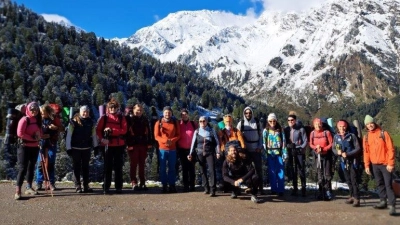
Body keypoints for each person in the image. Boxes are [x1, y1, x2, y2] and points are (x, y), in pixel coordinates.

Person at [363, 115, 396, 216]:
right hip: (374, 164)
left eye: (371, 123)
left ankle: (392, 205)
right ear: (366, 126)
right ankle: (383, 201)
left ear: (374, 123)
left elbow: (391, 149)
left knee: (388, 185)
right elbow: (366, 152)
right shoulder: (366, 137)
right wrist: (367, 165)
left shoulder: (383, 133)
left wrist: (390, 163)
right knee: (379, 184)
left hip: (385, 164)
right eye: (368, 124)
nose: (370, 125)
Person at [96, 99, 128, 194]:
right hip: (107, 144)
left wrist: (112, 130)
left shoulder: (121, 118)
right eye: (111, 108)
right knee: (107, 167)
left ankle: (119, 187)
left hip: (119, 145)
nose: (113, 109)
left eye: (114, 107)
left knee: (118, 167)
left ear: (117, 108)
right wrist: (102, 139)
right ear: (108, 109)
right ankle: (106, 186)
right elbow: (98, 130)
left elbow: (124, 130)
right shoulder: (104, 118)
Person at [66, 106, 98, 193]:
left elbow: (94, 135)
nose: (85, 113)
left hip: (86, 148)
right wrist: (68, 148)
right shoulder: (73, 122)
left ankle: (86, 185)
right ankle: (78, 186)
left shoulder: (91, 122)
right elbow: (68, 136)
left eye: (87, 112)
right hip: (75, 148)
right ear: (80, 112)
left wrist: (96, 146)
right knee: (76, 167)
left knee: (86, 168)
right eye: (83, 112)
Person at [14, 102, 42, 200]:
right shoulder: (24, 119)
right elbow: (20, 134)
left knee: (31, 167)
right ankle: (18, 191)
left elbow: (40, 132)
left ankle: (29, 187)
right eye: (32, 110)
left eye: (36, 110)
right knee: (23, 168)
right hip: (24, 147)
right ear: (28, 110)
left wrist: (39, 136)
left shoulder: (37, 120)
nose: (34, 112)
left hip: (35, 147)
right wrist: (33, 138)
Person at [188, 116, 220, 196]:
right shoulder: (197, 131)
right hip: (200, 153)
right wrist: (190, 153)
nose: (202, 122)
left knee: (212, 171)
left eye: (204, 121)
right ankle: (206, 188)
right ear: (199, 122)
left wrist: (218, 152)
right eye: (200, 121)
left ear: (206, 121)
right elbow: (193, 143)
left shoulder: (212, 131)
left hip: (210, 153)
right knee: (202, 171)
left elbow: (216, 142)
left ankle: (213, 189)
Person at [332, 120, 361, 207]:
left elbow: (358, 148)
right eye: (340, 127)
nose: (342, 128)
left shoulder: (351, 136)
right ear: (338, 127)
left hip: (352, 161)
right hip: (343, 161)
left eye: (343, 126)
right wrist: (338, 152)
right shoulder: (336, 137)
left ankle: (356, 198)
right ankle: (351, 196)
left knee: (353, 179)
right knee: (348, 179)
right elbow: (333, 148)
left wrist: (348, 154)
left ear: (346, 127)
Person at [236, 106, 264, 195]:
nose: (248, 114)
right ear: (244, 114)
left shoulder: (257, 123)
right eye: (246, 113)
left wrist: (260, 147)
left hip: (256, 150)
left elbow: (261, 136)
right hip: (246, 151)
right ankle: (250, 187)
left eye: (250, 113)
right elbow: (238, 137)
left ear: (252, 113)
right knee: (247, 170)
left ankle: (260, 188)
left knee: (258, 169)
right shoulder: (241, 123)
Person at [35, 105, 63, 191]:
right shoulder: (37, 119)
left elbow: (62, 128)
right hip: (40, 143)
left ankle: (51, 182)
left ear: (48, 112)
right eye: (41, 113)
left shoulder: (54, 119)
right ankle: (39, 183)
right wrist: (40, 136)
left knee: (51, 163)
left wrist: (56, 128)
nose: (42, 115)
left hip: (51, 143)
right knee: (40, 163)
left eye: (44, 113)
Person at [125, 104, 152, 191]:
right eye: (137, 110)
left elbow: (148, 131)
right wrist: (128, 144)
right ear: (133, 110)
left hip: (143, 144)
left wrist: (149, 142)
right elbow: (127, 133)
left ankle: (142, 182)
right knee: (133, 164)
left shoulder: (144, 119)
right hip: (133, 144)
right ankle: (134, 182)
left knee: (142, 164)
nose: (139, 112)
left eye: (140, 110)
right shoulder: (129, 119)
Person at [154, 106, 180, 193]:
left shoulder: (175, 122)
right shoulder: (158, 122)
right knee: (162, 168)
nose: (167, 114)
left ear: (171, 113)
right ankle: (164, 185)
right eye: (166, 112)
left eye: (169, 112)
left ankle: (172, 185)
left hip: (172, 149)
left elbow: (178, 135)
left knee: (172, 168)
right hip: (162, 149)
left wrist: (171, 141)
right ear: (163, 113)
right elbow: (156, 136)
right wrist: (165, 141)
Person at [217, 114, 246, 191]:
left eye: (229, 121)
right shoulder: (221, 131)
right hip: (225, 153)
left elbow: (241, 141)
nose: (228, 123)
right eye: (226, 122)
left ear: (231, 121)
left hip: (235, 153)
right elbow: (220, 142)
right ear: (224, 122)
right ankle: (226, 185)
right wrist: (219, 151)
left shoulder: (236, 131)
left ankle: (236, 186)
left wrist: (242, 150)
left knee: (235, 170)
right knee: (225, 170)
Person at [283, 112, 308, 197]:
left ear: (295, 120)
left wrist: (301, 148)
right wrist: (288, 146)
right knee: (293, 171)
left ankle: (303, 189)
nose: (290, 121)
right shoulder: (286, 129)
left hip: (299, 152)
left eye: (292, 120)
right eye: (289, 120)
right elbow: (284, 141)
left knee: (301, 170)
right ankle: (295, 189)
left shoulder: (301, 129)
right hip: (290, 151)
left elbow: (305, 140)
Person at [263, 113, 287, 196]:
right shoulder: (266, 130)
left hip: (279, 153)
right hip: (270, 153)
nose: (272, 122)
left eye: (274, 120)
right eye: (270, 121)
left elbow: (284, 142)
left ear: (276, 121)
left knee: (281, 172)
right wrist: (265, 154)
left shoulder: (280, 130)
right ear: (268, 121)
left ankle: (280, 190)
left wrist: (284, 153)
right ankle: (273, 189)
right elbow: (264, 143)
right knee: (272, 172)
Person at [309, 118, 334, 200]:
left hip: (326, 156)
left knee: (327, 174)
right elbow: (311, 144)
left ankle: (327, 191)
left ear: (321, 124)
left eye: (319, 124)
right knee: (319, 174)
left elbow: (331, 143)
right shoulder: (312, 133)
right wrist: (316, 148)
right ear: (314, 125)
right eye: (316, 124)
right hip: (318, 156)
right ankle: (321, 191)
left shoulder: (327, 133)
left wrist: (324, 149)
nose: (318, 126)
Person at [177, 108, 197, 192]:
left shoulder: (193, 124)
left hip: (192, 150)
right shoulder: (178, 124)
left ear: (188, 115)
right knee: (184, 168)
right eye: (182, 114)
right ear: (181, 116)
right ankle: (185, 185)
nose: (184, 116)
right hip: (181, 149)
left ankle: (192, 185)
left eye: (186, 114)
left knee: (191, 168)